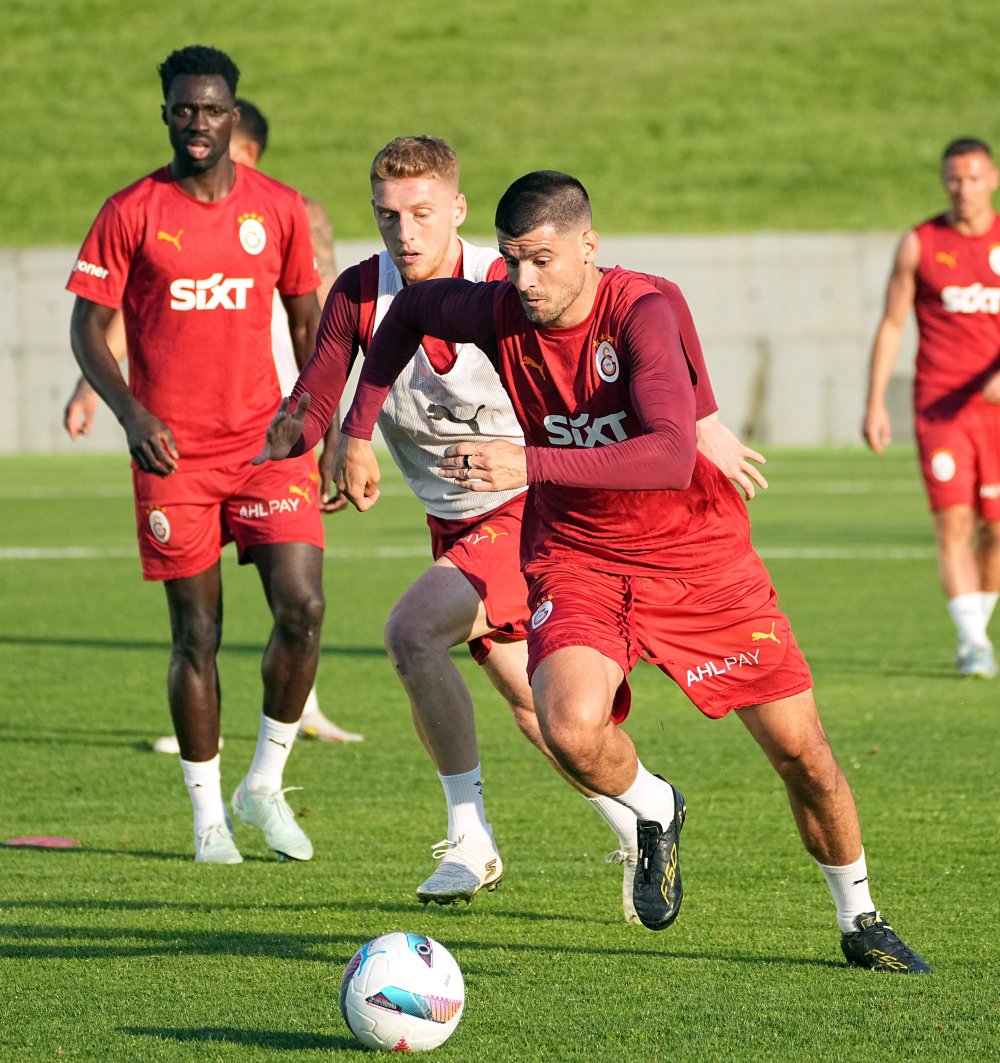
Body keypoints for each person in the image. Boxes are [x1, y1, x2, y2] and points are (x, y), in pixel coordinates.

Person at [270, 170, 930, 972]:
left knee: (803, 754)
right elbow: (407, 310)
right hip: (578, 556)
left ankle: (859, 915)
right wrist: (355, 426)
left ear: (590, 245)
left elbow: (667, 453)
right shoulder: (499, 308)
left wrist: (526, 458)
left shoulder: (645, 310)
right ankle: (656, 806)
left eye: (542, 260)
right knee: (567, 723)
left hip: (697, 557)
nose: (523, 281)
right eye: (512, 261)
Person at [254, 136, 768, 918]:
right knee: (535, 704)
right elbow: (318, 397)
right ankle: (636, 819)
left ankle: (470, 838)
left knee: (413, 632)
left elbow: (653, 298)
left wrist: (703, 421)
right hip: (451, 518)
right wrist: (305, 435)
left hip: (529, 506)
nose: (405, 231)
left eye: (423, 213)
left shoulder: (511, 280)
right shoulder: (361, 293)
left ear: (457, 209)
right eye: (387, 215)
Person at [67, 45, 328, 864]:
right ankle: (208, 816)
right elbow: (86, 327)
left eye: (211, 109)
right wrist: (130, 412)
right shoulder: (131, 210)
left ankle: (265, 785)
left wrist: (305, 414)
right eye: (184, 110)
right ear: (168, 115)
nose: (198, 124)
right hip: (172, 455)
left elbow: (308, 318)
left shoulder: (277, 209)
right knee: (198, 635)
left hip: (263, 446)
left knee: (303, 606)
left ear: (232, 114)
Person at [864, 136, 1000, 679]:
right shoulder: (921, 243)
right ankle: (973, 643)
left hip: (995, 411)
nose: (962, 188)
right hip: (940, 410)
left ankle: (979, 630)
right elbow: (893, 323)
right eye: (953, 178)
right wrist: (875, 401)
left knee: (995, 529)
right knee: (953, 523)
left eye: (972, 177)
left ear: (991, 179)